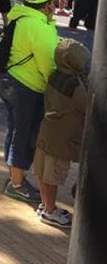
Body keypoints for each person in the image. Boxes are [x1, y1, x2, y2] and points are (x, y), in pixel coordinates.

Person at [0, 0, 58, 205]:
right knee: (25, 134)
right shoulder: (39, 28)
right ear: (47, 4)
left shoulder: (20, 17)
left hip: (8, 80)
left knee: (14, 129)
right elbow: (49, 65)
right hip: (27, 86)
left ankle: (14, 175)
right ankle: (17, 185)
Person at [34, 39, 90, 229]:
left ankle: (45, 205)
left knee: (43, 172)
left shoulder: (54, 75)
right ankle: (50, 211)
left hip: (48, 128)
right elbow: (87, 106)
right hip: (62, 137)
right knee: (53, 175)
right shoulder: (73, 85)